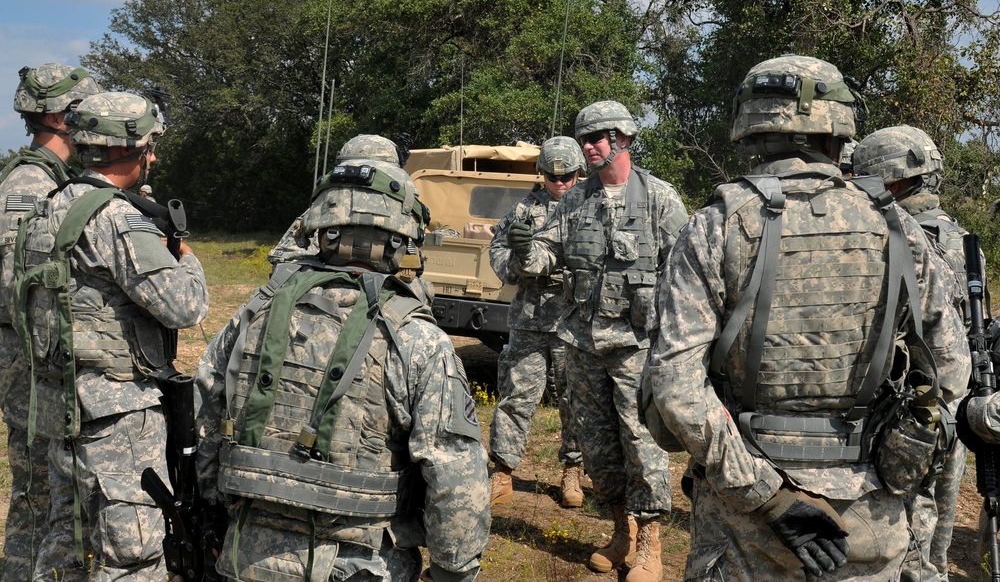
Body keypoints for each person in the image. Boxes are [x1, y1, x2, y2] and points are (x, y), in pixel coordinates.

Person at [641, 55, 970, 581]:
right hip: (870, 515)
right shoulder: (899, 229)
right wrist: (895, 459)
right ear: (838, 127)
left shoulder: (717, 225)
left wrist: (768, 497)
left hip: (746, 523)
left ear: (751, 126)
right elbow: (950, 369)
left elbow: (676, 387)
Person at [194, 159, 490, 581]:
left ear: (320, 227)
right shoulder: (418, 339)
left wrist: (214, 509)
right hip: (361, 564)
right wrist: (452, 570)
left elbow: (205, 413)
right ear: (403, 237)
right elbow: (455, 473)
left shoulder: (253, 314)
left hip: (246, 555)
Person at [13, 91, 210, 581]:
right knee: (131, 555)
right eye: (149, 147)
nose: (153, 158)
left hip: (61, 407)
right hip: (117, 418)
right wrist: (186, 257)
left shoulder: (48, 208)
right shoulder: (116, 217)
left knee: (64, 544)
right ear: (127, 149)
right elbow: (184, 306)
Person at [506, 101, 689, 581]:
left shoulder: (659, 198)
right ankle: (621, 529)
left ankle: (650, 543)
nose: (587, 146)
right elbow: (544, 256)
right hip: (582, 344)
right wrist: (525, 249)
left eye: (596, 138)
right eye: (583, 139)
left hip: (636, 346)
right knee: (597, 444)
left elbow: (688, 272)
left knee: (641, 442)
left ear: (622, 139)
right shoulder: (575, 201)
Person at [854, 125, 971, 582]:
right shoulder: (961, 238)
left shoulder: (895, 235)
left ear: (891, 179)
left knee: (906, 528)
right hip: (952, 404)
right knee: (938, 532)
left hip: (909, 409)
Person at [0, 63, 102, 581]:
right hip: (30, 366)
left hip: (40, 363)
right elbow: (13, 287)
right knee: (38, 495)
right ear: (61, 117)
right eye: (84, 112)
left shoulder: (54, 179)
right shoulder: (28, 185)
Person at [487, 136, 586, 508]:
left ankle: (573, 470)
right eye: (552, 176)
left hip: (572, 321)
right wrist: (517, 262)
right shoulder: (523, 210)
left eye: (567, 176)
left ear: (579, 173)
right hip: (529, 320)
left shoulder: (591, 210)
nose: (559, 183)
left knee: (574, 399)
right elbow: (498, 250)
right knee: (516, 396)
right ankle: (502, 471)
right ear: (541, 173)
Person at [267, 134, 432, 304]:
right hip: (384, 298)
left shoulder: (328, 199)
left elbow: (284, 257)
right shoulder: (403, 197)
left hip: (317, 291)